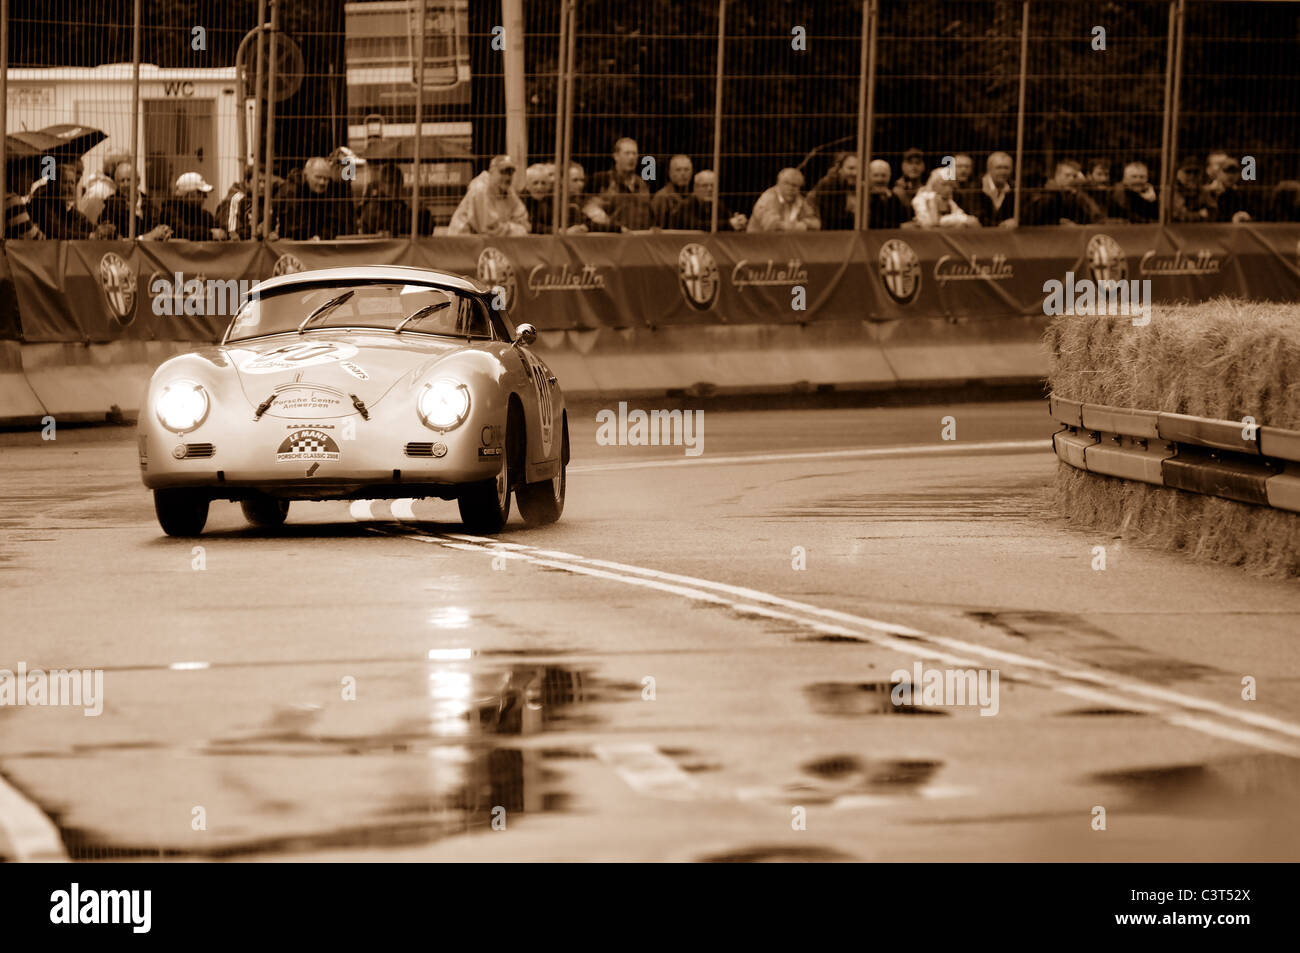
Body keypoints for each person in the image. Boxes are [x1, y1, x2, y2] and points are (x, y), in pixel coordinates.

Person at [26, 159, 115, 239]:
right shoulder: (42, 203)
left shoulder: (66, 206)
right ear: (54, 184)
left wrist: (99, 229)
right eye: (65, 182)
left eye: (72, 183)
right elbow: (57, 231)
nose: (69, 188)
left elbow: (81, 220)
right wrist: (90, 236)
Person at [448, 155, 529, 236]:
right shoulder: (480, 189)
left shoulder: (508, 190)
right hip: (462, 240)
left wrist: (517, 228)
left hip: (485, 240)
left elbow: (522, 219)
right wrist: (515, 229)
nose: (507, 177)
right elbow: (489, 228)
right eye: (502, 172)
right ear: (491, 172)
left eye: (510, 173)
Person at [585, 137, 653, 231]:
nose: (631, 157)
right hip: (612, 239)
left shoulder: (642, 185)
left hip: (638, 240)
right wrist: (614, 228)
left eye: (634, 153)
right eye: (627, 153)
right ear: (616, 156)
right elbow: (589, 209)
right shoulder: (603, 180)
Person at [276, 157, 352, 240]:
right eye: (318, 177)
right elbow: (294, 227)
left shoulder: (329, 191)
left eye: (326, 178)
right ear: (306, 175)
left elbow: (333, 221)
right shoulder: (291, 191)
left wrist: (319, 237)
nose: (322, 182)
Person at [100, 161, 170, 239]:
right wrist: (145, 237)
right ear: (116, 184)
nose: (126, 184)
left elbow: (156, 225)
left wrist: (162, 231)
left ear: (138, 181)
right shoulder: (111, 205)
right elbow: (113, 239)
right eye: (122, 181)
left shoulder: (148, 202)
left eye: (129, 180)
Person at [1020, 159, 1101, 226]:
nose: (1072, 179)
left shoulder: (1075, 195)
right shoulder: (1045, 195)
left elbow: (1096, 216)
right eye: (1067, 175)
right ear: (1056, 176)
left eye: (1075, 176)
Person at [666, 170, 747, 231]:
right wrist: (729, 224)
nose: (710, 189)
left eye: (713, 185)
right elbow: (697, 226)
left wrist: (739, 220)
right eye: (705, 186)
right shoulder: (686, 205)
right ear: (695, 188)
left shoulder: (717, 204)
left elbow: (730, 219)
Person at [156, 172, 227, 241]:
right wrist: (210, 234)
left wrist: (222, 233)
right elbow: (182, 231)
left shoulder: (205, 216)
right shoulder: (169, 213)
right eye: (200, 193)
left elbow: (220, 232)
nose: (205, 196)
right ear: (188, 194)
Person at [748, 167, 820, 232]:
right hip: (760, 242)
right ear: (778, 183)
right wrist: (798, 227)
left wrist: (805, 223)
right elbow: (770, 225)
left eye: (794, 185)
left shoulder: (799, 200)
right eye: (786, 184)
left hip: (786, 243)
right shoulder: (768, 198)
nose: (790, 188)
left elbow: (816, 223)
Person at [911, 167, 979, 228]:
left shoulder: (948, 200)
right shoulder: (922, 198)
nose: (948, 189)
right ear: (934, 184)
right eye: (944, 184)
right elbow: (931, 222)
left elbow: (959, 214)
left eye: (950, 185)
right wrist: (961, 220)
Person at [807, 152, 859, 230]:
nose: (855, 173)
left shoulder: (863, 185)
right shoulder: (828, 185)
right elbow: (832, 218)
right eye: (850, 168)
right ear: (840, 169)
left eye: (859, 169)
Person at [356, 163, 410, 236]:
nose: (395, 186)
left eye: (398, 181)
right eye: (391, 182)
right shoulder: (374, 207)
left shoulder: (401, 205)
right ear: (381, 184)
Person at [967, 151, 1016, 227]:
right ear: (989, 169)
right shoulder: (977, 186)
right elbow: (975, 215)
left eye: (1006, 168)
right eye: (999, 167)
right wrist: (999, 226)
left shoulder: (1014, 188)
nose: (1003, 172)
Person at [1200, 157, 1253, 223]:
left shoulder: (1241, 195)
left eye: (1234, 172)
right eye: (1227, 171)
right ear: (1218, 173)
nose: (1230, 176)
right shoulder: (1208, 192)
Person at [650, 154, 693, 228]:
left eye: (686, 169)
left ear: (691, 172)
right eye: (678, 170)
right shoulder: (661, 197)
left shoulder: (693, 196)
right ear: (670, 173)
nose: (683, 173)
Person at [863, 159, 908, 228]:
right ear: (868, 177)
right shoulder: (864, 198)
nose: (880, 179)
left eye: (883, 175)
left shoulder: (893, 197)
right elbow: (873, 224)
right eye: (875, 175)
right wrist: (900, 226)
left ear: (889, 177)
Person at [1170, 156, 1210, 222]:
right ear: (1178, 174)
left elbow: (1213, 212)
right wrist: (1199, 215)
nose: (1192, 176)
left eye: (1196, 172)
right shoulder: (1172, 192)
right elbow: (1181, 216)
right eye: (1188, 172)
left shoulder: (1202, 191)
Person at [520, 163, 554, 234]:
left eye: (543, 183)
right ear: (527, 185)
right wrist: (555, 230)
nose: (540, 187)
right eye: (535, 183)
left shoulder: (551, 199)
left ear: (548, 186)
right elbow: (529, 226)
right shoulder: (521, 200)